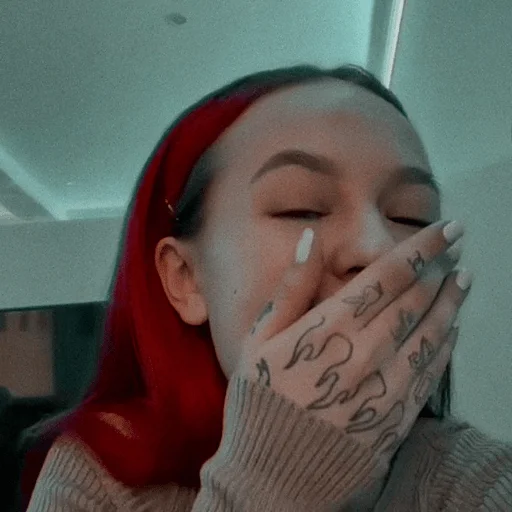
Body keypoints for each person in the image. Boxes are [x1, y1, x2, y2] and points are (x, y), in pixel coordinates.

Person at [23, 64, 512, 511]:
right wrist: (274, 480)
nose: (377, 248)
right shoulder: (96, 477)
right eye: (302, 208)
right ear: (184, 278)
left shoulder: (479, 481)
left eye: (412, 217)